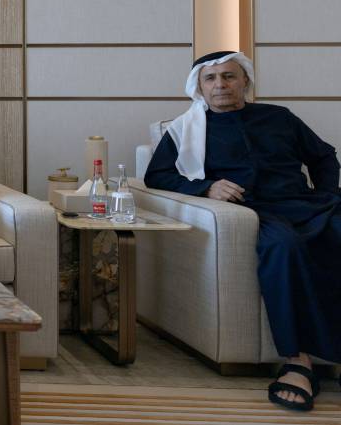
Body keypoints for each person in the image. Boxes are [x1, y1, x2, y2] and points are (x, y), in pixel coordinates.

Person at [145, 50, 341, 412]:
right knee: (284, 247)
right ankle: (298, 362)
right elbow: (157, 176)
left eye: (229, 76)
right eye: (211, 78)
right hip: (258, 212)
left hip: (306, 203)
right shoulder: (186, 129)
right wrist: (207, 187)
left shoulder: (279, 117)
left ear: (245, 82)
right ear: (199, 88)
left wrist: (327, 193)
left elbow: (324, 156)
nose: (220, 85)